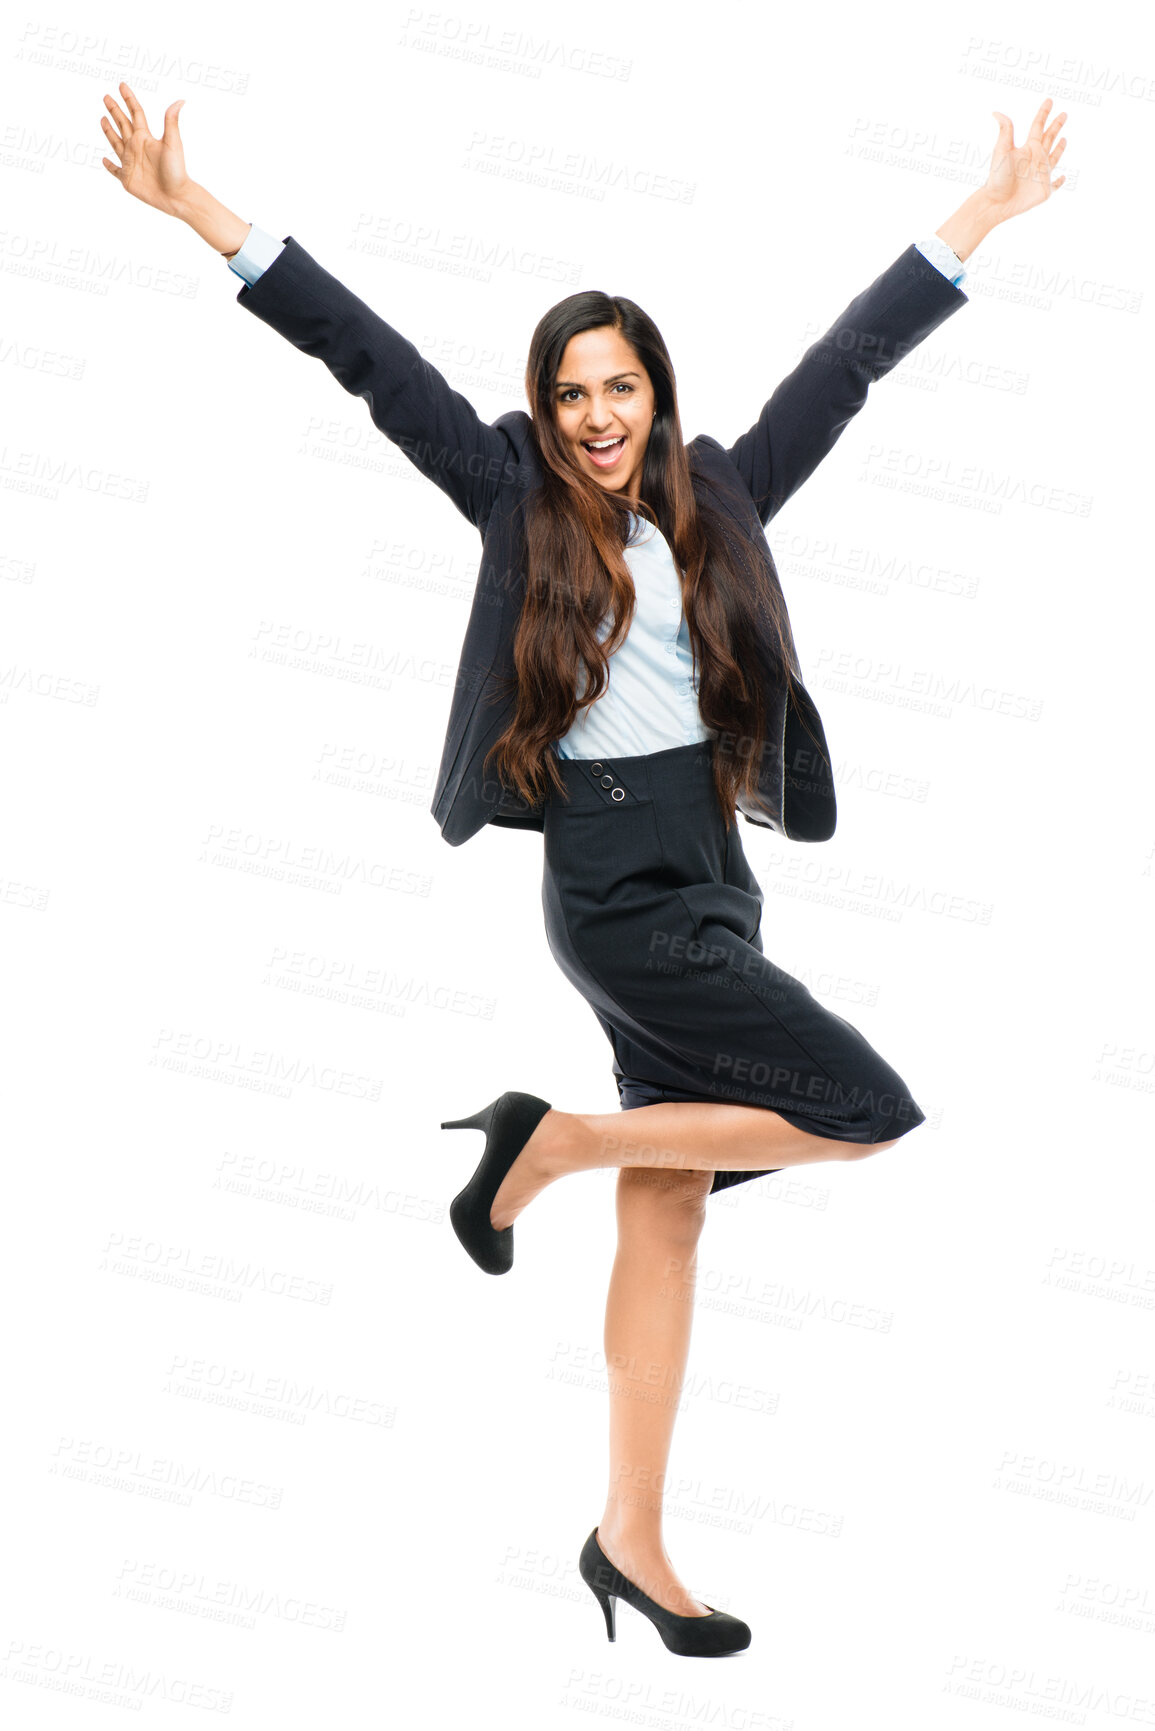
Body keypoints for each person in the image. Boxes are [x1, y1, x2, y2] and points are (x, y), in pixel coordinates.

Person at [99, 86, 1068, 1657]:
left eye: (620, 386)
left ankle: (630, 1536)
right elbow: (366, 360)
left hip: (715, 870)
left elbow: (849, 364)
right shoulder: (508, 496)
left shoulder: (727, 495)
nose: (599, 413)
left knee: (672, 1207)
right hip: (615, 885)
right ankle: (542, 1147)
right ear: (543, 412)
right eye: (572, 393)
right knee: (863, 1110)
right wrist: (207, 212)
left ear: (657, 394)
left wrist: (982, 214)